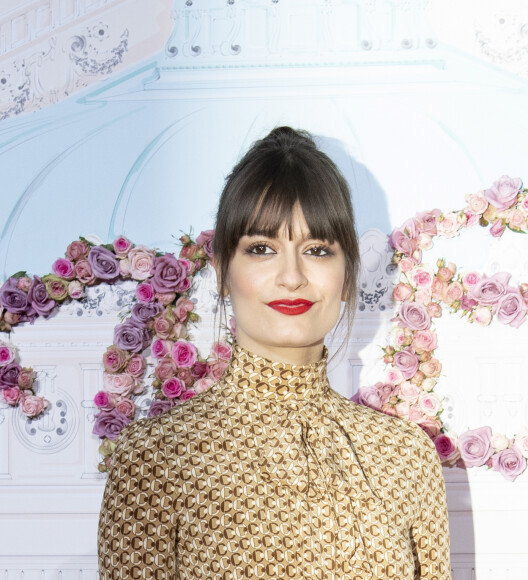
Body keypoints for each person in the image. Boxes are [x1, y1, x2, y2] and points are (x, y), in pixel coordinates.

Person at [98, 127, 451, 579]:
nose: (292, 276)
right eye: (262, 248)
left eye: (318, 249)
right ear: (224, 270)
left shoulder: (404, 457)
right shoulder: (155, 459)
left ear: (347, 274)